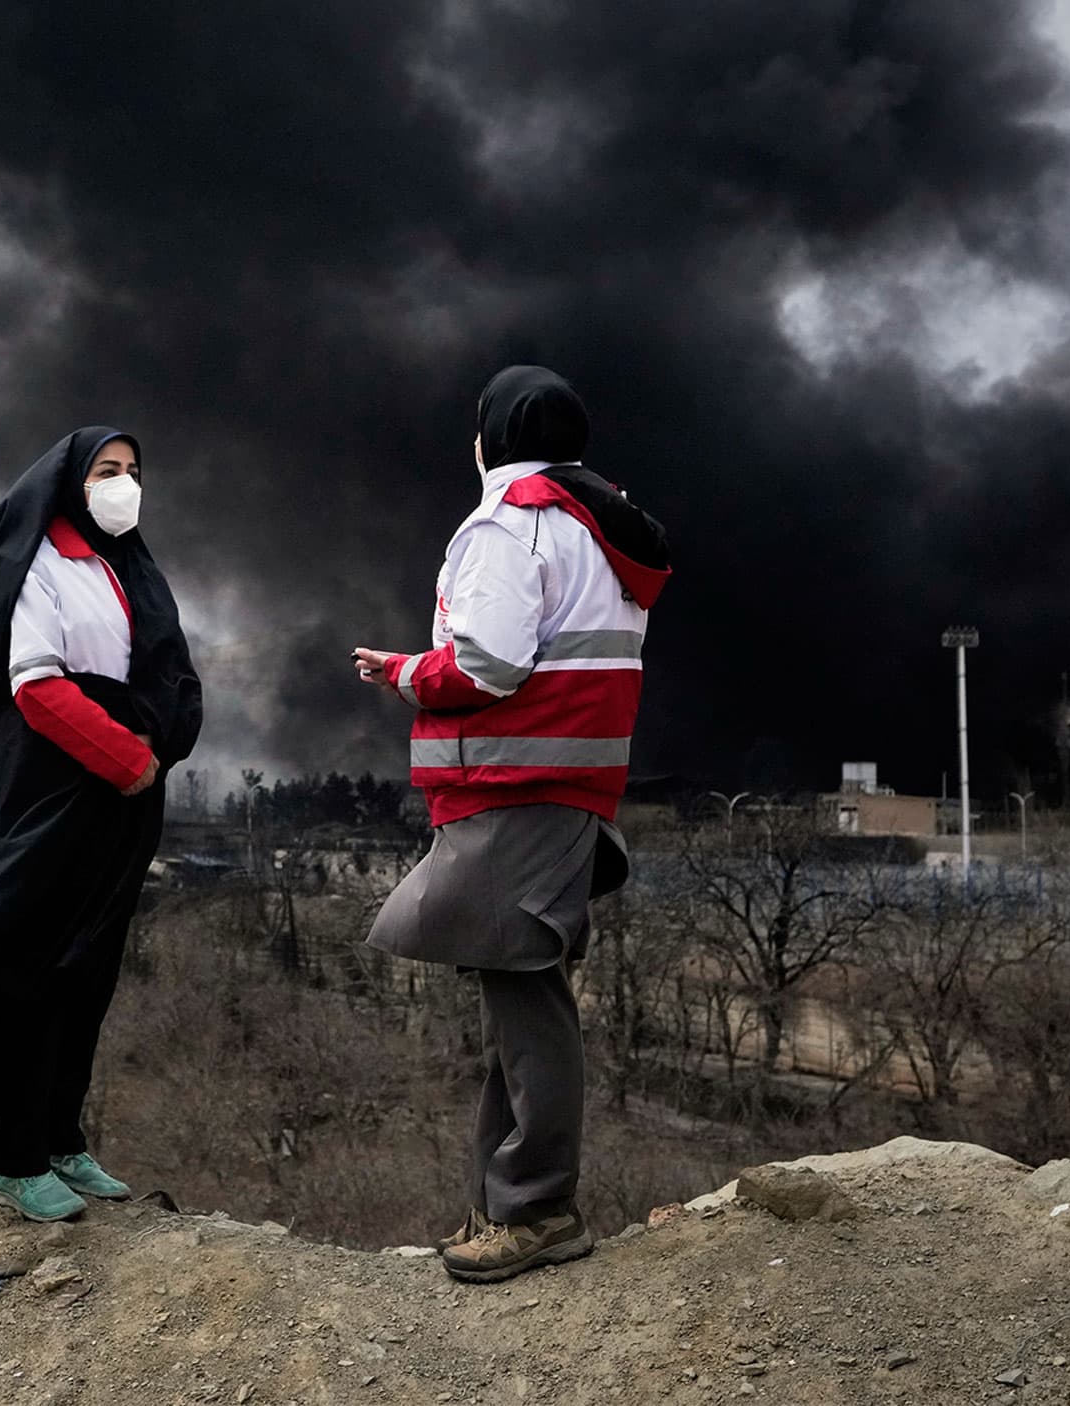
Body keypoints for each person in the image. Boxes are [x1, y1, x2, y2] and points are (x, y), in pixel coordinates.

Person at [350, 365, 671, 1283]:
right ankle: (502, 1203)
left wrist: (407, 672)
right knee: (514, 1002)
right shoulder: (598, 520)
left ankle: (536, 1212)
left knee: (529, 1008)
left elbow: (488, 664)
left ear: (491, 435)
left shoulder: (510, 523)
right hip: (561, 788)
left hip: (515, 788)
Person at [0, 426, 205, 1222]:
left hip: (121, 805)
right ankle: (15, 1157)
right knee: (32, 970)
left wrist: (159, 740)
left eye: (132, 471)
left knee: (89, 970)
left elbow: (168, 674)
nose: (124, 485)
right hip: (55, 798)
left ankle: (61, 1136)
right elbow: (36, 686)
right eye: (106, 471)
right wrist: (126, 755)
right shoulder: (38, 568)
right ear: (67, 483)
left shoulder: (129, 567)